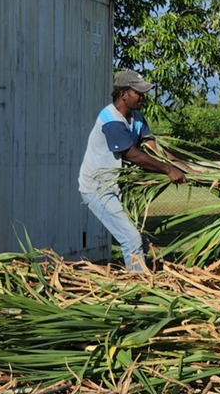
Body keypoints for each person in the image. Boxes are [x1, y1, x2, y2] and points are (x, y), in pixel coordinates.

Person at [79, 69, 195, 272]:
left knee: (141, 240)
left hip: (116, 187)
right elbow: (132, 155)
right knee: (131, 239)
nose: (143, 97)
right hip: (98, 188)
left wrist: (186, 169)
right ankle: (138, 290)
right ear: (124, 94)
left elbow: (152, 146)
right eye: (138, 92)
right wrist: (168, 170)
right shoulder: (111, 120)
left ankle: (143, 276)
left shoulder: (136, 117)